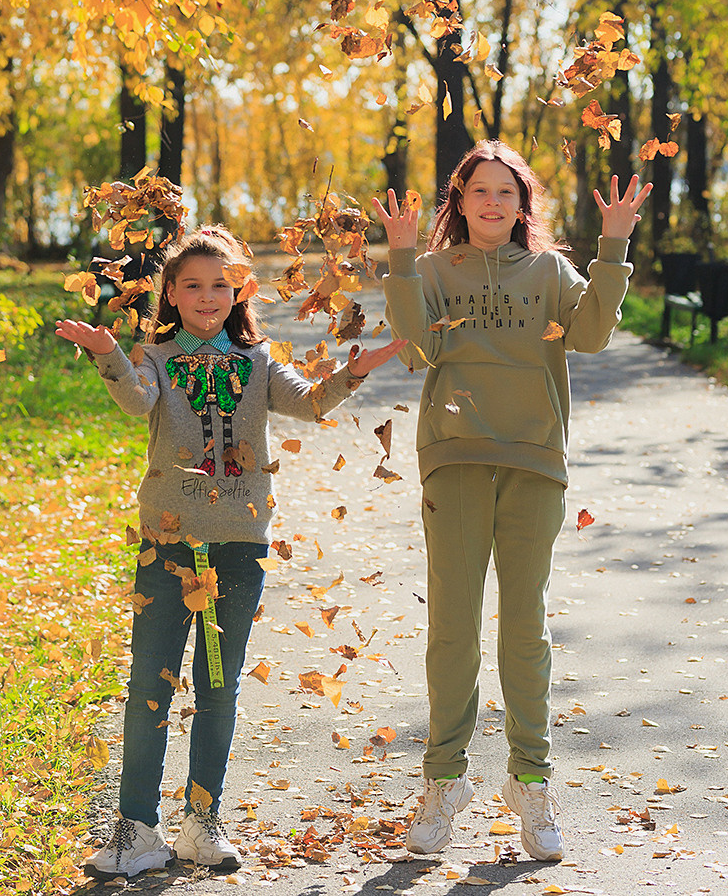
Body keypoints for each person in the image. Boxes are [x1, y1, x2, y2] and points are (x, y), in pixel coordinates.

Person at [56, 225, 403, 882]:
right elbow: (136, 401)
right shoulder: (154, 356)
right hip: (168, 541)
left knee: (219, 687)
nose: (207, 296)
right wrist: (108, 353)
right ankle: (135, 828)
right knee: (148, 685)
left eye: (220, 284)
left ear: (239, 289)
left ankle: (202, 821)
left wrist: (352, 372)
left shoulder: (259, 357)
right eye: (192, 285)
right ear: (172, 292)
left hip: (239, 545)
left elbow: (307, 403)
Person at [373, 143, 651, 864]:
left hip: (534, 461)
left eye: (507, 192)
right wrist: (401, 261)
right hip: (455, 457)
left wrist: (613, 244)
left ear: (524, 204)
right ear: (458, 204)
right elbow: (414, 352)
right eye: (479, 192)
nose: (493, 203)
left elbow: (589, 335)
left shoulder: (551, 270)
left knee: (524, 629)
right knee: (453, 630)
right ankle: (443, 782)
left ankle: (531, 779)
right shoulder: (433, 271)